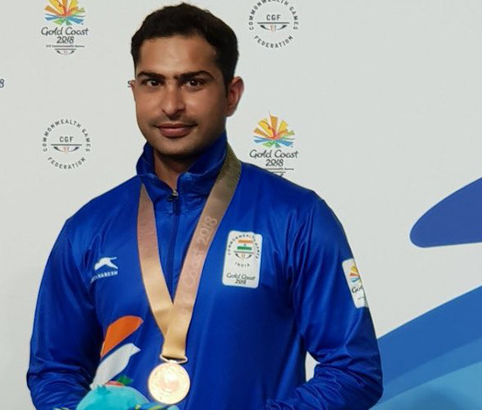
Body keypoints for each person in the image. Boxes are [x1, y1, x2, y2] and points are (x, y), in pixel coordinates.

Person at [27, 3, 383, 409]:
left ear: (231, 94)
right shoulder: (88, 228)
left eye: (193, 83)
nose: (171, 105)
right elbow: (54, 370)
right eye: (153, 82)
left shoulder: (297, 218)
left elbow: (354, 369)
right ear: (134, 91)